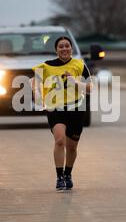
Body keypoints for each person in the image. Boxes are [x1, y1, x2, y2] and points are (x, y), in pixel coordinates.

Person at [31, 36, 93, 191]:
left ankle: (68, 174)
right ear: (56, 50)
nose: (64, 49)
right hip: (55, 107)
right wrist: (37, 95)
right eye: (61, 46)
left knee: (72, 147)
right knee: (59, 140)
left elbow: (90, 87)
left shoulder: (79, 64)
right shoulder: (46, 66)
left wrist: (75, 82)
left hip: (76, 108)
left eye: (67, 46)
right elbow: (35, 81)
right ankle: (59, 177)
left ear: (71, 48)